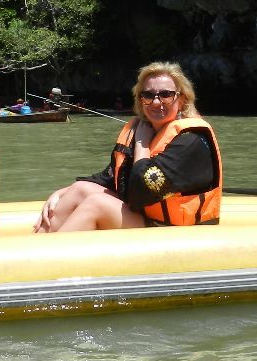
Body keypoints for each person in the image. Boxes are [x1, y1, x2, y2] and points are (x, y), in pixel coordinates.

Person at [35, 61, 222, 233]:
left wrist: (142, 144)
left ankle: (45, 262)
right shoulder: (142, 130)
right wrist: (61, 193)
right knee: (80, 188)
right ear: (140, 100)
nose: (156, 102)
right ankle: (34, 249)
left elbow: (141, 192)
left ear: (181, 100)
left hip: (174, 229)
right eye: (148, 95)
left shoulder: (191, 141)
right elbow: (110, 177)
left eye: (166, 95)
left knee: (96, 204)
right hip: (146, 217)